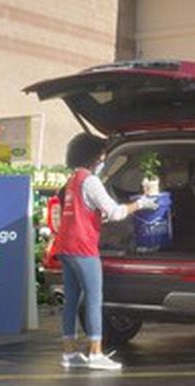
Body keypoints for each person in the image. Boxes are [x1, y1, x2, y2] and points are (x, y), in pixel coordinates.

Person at [54, 133, 156, 370]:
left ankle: (69, 353)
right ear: (93, 156)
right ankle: (96, 353)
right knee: (93, 299)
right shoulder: (91, 181)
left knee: (71, 300)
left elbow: (86, 211)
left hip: (66, 247)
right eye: (101, 155)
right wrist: (141, 203)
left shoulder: (72, 180)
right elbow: (116, 213)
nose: (103, 159)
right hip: (83, 248)